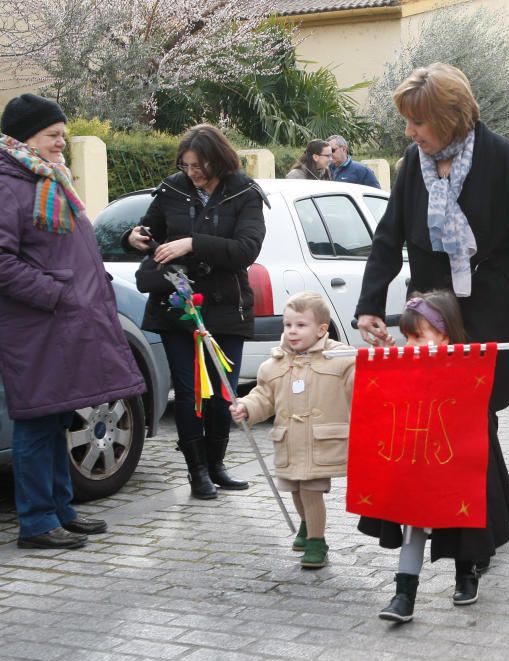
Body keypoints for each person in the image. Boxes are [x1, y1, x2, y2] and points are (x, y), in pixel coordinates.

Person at [354, 63, 509, 604]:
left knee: (474, 418)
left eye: (418, 122)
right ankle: (477, 541)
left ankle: (480, 537)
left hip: (493, 313)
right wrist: (369, 306)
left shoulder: (502, 161)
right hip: (434, 315)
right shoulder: (413, 164)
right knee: (454, 424)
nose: (410, 133)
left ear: (449, 118)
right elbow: (388, 240)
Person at [0, 94, 146, 549]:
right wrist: (57, 294)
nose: (62, 142)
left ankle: (62, 509)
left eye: (63, 134)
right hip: (37, 325)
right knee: (37, 424)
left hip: (65, 324)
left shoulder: (47, 178)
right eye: (53, 135)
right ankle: (38, 522)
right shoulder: (10, 183)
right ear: (25, 138)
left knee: (61, 418)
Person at [124, 123, 266, 500]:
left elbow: (246, 249)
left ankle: (217, 465)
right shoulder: (172, 188)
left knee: (223, 392)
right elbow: (147, 231)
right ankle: (197, 472)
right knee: (188, 394)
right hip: (177, 305)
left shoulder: (245, 192)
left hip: (225, 307)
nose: (192, 173)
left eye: (199, 165)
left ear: (218, 159)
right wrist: (134, 237)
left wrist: (191, 243)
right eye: (186, 166)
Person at [374, 291, 480, 622]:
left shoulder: (463, 367)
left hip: (453, 465)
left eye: (417, 336)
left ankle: (466, 573)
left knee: (460, 522)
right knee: (414, 524)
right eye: (406, 337)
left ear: (445, 334)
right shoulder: (406, 364)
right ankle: (404, 595)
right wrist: (385, 360)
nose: (410, 344)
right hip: (416, 464)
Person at [230, 292, 353, 569]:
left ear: (321, 329)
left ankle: (317, 541)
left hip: (319, 442)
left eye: (301, 325)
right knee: (295, 491)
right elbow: (264, 397)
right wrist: (247, 407)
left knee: (310, 491)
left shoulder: (341, 359)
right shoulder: (274, 364)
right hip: (289, 442)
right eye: (288, 325)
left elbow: (360, 387)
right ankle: (307, 524)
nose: (293, 331)